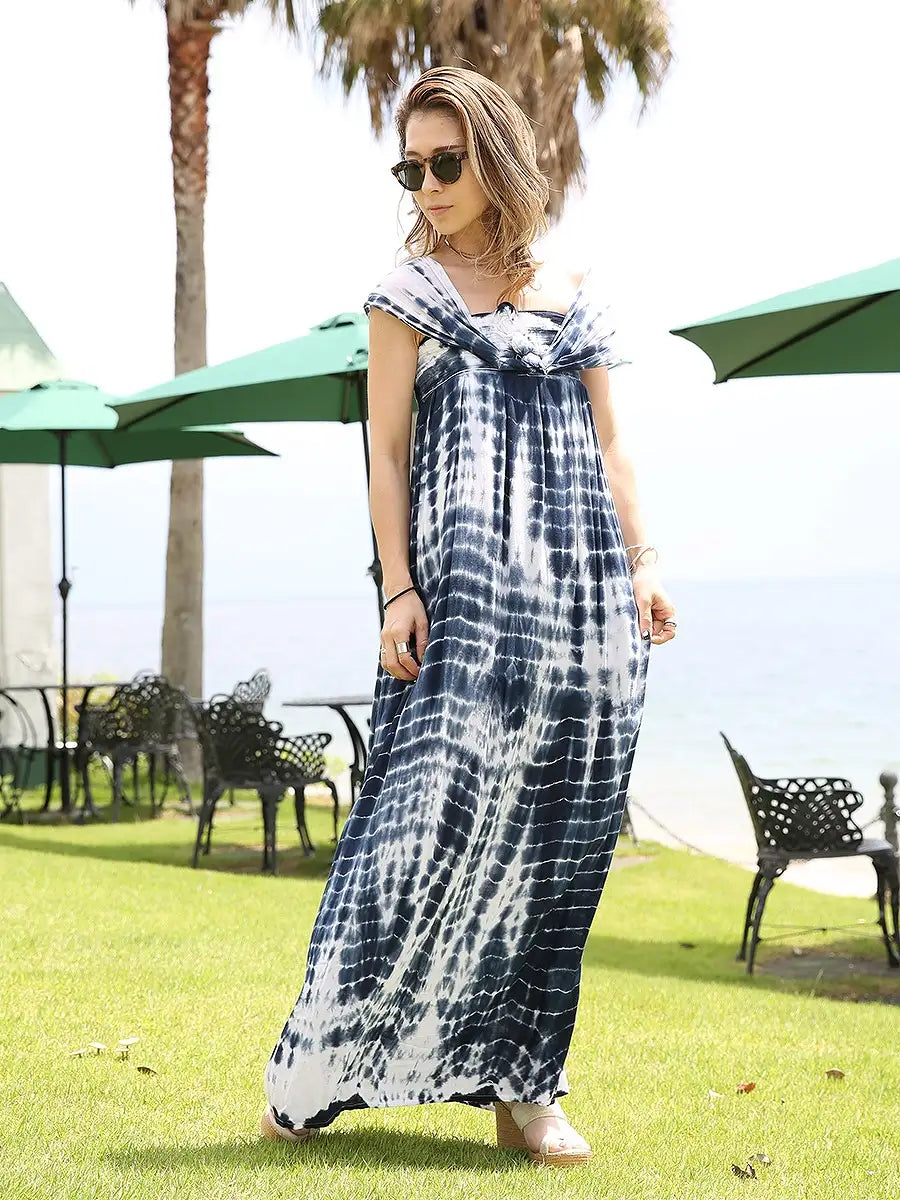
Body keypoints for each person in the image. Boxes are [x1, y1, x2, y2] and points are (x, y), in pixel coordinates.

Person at [262, 65, 677, 1167]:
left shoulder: (571, 288)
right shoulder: (405, 293)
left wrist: (644, 566)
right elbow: (387, 453)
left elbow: (612, 443)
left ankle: (526, 1092)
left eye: (446, 161)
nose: (430, 184)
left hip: (580, 606)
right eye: (412, 169)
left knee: (558, 849)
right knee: (413, 835)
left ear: (494, 155)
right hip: (462, 606)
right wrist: (397, 588)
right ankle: (310, 1075)